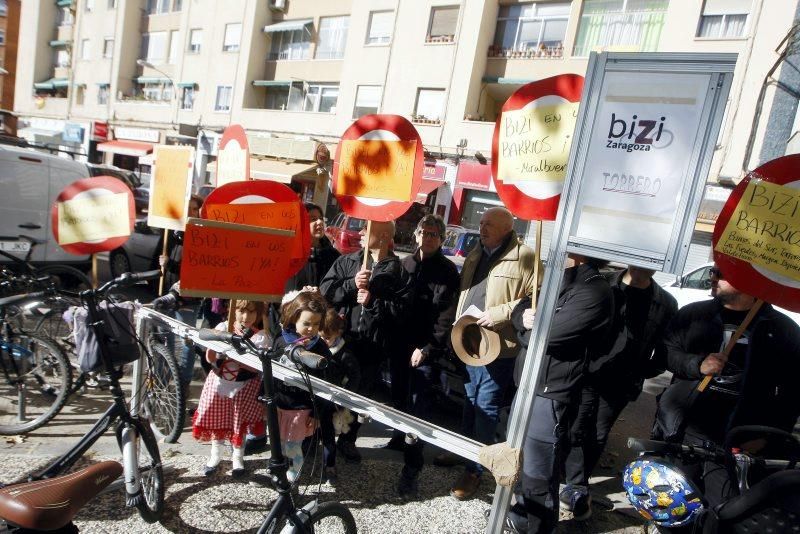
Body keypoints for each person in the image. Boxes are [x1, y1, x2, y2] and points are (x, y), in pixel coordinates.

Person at [652, 264, 800, 510]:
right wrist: (697, 365)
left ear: (749, 281)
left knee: (721, 508)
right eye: (714, 271)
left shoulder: (783, 331)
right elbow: (665, 354)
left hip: (737, 440)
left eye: (722, 273)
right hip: (684, 429)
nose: (713, 277)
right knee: (673, 502)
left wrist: (764, 436)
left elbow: (793, 394)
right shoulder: (693, 314)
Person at [506, 254, 614, 534]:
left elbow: (547, 336)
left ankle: (540, 527)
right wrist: (523, 318)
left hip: (552, 391)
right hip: (528, 382)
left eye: (562, 248)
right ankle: (522, 515)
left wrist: (525, 330)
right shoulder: (558, 279)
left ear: (576, 254)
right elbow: (520, 307)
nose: (553, 253)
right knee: (519, 458)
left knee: (539, 469)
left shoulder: (596, 290)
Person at [560, 266, 678, 519]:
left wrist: (641, 371)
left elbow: (664, 349)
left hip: (622, 382)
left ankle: (577, 485)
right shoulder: (601, 283)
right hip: (587, 371)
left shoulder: (666, 303)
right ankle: (571, 479)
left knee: (598, 433)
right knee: (575, 425)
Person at [446, 207, 537, 501]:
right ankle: (464, 453)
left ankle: (474, 470)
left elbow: (533, 300)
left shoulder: (526, 258)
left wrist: (498, 313)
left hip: (499, 346)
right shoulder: (477, 252)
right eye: (481, 223)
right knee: (469, 402)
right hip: (470, 342)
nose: (482, 228)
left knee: (486, 407)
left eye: (488, 225)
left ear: (506, 228)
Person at [251, 202, 339, 455]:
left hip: (317, 332)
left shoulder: (332, 256)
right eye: (311, 219)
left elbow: (335, 290)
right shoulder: (288, 253)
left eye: (320, 217)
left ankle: (310, 444)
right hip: (289, 331)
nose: (318, 222)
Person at [319, 219, 406, 463]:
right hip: (341, 342)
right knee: (330, 392)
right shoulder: (348, 261)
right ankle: (322, 440)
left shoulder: (398, 271)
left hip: (372, 347)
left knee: (361, 396)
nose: (361, 233)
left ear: (385, 234)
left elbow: (401, 313)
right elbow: (325, 291)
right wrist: (350, 284)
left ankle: (348, 440)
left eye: (367, 229)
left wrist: (372, 302)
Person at [386, 214, 460, 497]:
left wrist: (428, 348)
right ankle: (397, 436)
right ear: (415, 235)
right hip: (399, 345)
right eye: (423, 232)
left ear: (441, 240)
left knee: (419, 407)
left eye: (433, 234)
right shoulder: (404, 265)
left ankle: (412, 468)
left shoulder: (448, 272)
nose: (427, 238)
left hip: (426, 349)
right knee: (399, 396)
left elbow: (446, 316)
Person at [192, 299, 270, 477]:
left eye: (252, 312)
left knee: (239, 422)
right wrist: (218, 348)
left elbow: (258, 366)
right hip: (220, 381)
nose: (246, 317)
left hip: (245, 385)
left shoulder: (260, 336)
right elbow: (210, 357)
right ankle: (215, 455)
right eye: (241, 311)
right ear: (232, 310)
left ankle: (238, 457)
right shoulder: (223, 327)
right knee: (218, 420)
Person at [271, 291, 336, 483]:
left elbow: (325, 386)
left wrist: (317, 413)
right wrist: (265, 396)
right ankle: (280, 470)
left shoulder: (319, 349)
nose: (311, 329)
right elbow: (269, 370)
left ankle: (293, 478)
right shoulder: (282, 340)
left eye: (316, 324)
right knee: (279, 443)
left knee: (293, 445)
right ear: (294, 317)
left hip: (302, 408)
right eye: (306, 323)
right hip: (280, 404)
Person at [157, 194, 204, 389]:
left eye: (195, 209)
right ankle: (160, 379)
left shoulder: (200, 236)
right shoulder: (171, 233)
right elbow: (161, 263)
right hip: (166, 294)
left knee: (186, 342)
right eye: (188, 209)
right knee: (163, 338)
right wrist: (163, 263)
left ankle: (182, 385)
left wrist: (173, 267)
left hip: (188, 296)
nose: (191, 213)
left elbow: (196, 268)